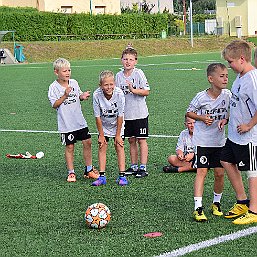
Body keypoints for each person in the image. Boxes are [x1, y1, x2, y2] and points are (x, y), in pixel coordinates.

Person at [186, 63, 231, 222]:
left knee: (219, 173)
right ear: (211, 79)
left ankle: (216, 203)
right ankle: (198, 207)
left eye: (226, 75)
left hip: (219, 141)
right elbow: (189, 112)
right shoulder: (201, 97)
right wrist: (201, 118)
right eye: (221, 76)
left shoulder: (227, 95)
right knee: (202, 172)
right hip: (203, 141)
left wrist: (225, 120)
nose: (225, 78)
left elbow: (232, 113)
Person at [220, 40, 257, 225]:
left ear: (242, 59)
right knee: (226, 160)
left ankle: (254, 210)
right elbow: (238, 102)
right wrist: (227, 118)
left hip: (249, 136)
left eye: (231, 62)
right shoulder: (240, 76)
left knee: (253, 171)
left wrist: (249, 125)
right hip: (235, 134)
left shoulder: (252, 79)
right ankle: (242, 201)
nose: (229, 66)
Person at [48, 58, 99, 182]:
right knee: (70, 147)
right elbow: (54, 104)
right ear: (56, 72)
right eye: (64, 71)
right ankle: (71, 173)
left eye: (69, 70)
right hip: (67, 124)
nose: (67, 73)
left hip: (79, 121)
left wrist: (82, 96)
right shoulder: (53, 87)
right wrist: (65, 95)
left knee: (88, 142)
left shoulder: (74, 83)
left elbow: (78, 96)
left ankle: (89, 170)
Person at [115, 45, 150, 178]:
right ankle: (134, 165)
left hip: (139, 113)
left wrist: (134, 90)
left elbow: (146, 91)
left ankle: (143, 167)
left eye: (131, 59)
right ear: (121, 60)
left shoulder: (138, 73)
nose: (128, 62)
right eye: (125, 59)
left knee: (141, 139)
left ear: (135, 61)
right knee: (131, 140)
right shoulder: (118, 75)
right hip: (126, 114)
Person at [91, 70, 128, 186]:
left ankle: (122, 176)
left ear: (114, 84)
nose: (109, 87)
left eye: (111, 84)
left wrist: (117, 135)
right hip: (104, 124)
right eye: (106, 84)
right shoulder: (96, 95)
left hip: (118, 124)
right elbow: (97, 117)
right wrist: (101, 135)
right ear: (100, 85)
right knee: (102, 146)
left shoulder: (119, 94)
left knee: (119, 145)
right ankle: (102, 177)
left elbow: (120, 116)